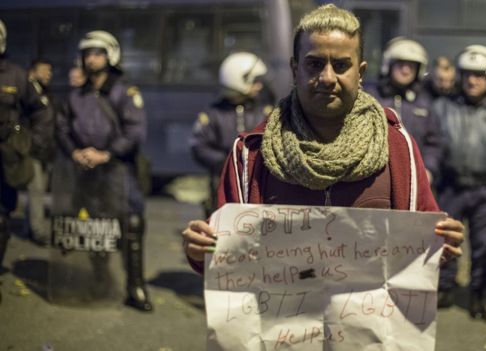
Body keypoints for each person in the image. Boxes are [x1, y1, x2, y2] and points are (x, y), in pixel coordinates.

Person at [182, 4, 464, 295]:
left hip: (368, 333)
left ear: (360, 71)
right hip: (282, 330)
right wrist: (201, 248)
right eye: (314, 64)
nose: (328, 77)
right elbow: (227, 258)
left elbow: (422, 247)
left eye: (341, 65)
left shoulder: (397, 146)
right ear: (295, 69)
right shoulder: (251, 153)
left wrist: (442, 243)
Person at [56, 30, 152, 311]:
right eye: (87, 53)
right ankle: (99, 282)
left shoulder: (124, 91)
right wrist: (74, 151)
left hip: (118, 171)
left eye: (98, 53)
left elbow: (135, 132)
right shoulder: (76, 96)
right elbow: (62, 127)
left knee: (132, 224)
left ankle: (135, 287)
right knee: (94, 226)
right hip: (85, 172)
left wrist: (106, 154)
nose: (92, 58)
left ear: (110, 56)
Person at [432, 45, 486, 319]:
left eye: (479, 75)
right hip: (450, 186)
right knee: (445, 241)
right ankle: (444, 288)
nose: (472, 80)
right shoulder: (442, 106)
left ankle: (479, 293)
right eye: (467, 74)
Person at [189, 52, 273, 217]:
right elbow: (198, 145)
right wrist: (225, 161)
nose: (259, 86)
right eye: (254, 81)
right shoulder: (214, 114)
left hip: (258, 184)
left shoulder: (264, 112)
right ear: (239, 80)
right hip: (222, 185)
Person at [0, 20, 53, 270]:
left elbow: (42, 112)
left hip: (5, 161)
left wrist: (30, 144)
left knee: (1, 219)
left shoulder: (16, 75)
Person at [366, 37, 442, 182]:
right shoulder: (371, 98)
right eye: (401, 64)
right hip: (374, 177)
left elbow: (434, 143)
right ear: (388, 65)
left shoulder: (425, 103)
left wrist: (429, 170)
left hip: (414, 178)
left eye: (411, 66)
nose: (406, 70)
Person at [26, 58, 56, 245]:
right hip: (33, 150)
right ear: (33, 72)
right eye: (45, 70)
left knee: (38, 190)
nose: (48, 74)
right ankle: (38, 231)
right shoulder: (28, 92)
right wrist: (27, 141)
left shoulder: (45, 92)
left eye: (50, 71)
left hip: (45, 150)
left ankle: (28, 227)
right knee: (36, 191)